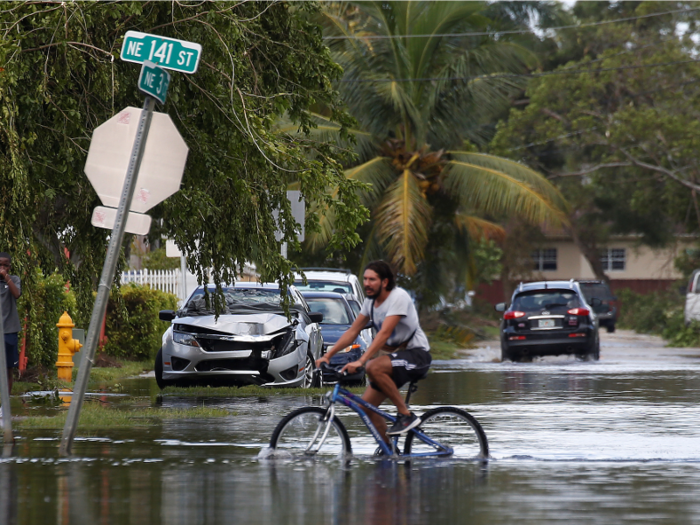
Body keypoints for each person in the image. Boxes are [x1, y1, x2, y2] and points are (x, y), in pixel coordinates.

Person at [316, 260, 431, 440]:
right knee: (366, 407)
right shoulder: (370, 303)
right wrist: (328, 356)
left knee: (373, 367)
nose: (367, 283)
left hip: (417, 356)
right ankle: (389, 453)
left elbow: (384, 333)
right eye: (365, 279)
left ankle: (406, 415)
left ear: (384, 282)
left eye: (372, 279)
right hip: (394, 358)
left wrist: (362, 361)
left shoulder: (398, 297)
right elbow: (353, 331)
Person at [0, 253, 21, 395]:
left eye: (5, 265)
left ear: (9, 267)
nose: (2, 268)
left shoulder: (13, 280)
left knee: (8, 369)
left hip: (10, 331)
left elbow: (17, 294)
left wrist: (5, 277)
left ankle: (4, 408)